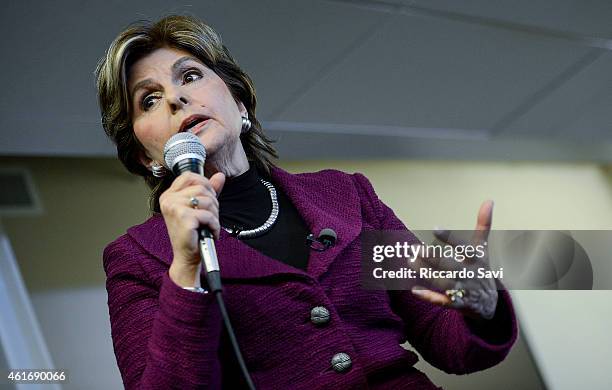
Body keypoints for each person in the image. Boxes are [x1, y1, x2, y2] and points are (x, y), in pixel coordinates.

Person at [96, 15, 517, 390]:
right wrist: (187, 270)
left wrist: (484, 305)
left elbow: (448, 343)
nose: (175, 98)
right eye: (148, 99)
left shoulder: (347, 195)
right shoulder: (136, 258)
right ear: (144, 155)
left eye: (189, 76)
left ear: (239, 102)